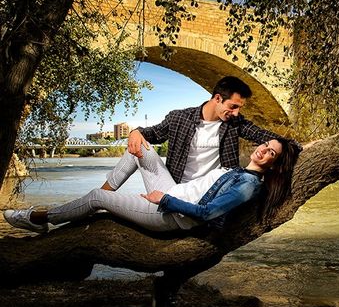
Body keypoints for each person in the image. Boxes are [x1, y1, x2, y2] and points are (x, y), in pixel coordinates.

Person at [3, 138, 299, 234]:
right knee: (139, 146)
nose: (263, 150)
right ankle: (106, 197)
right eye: (265, 145)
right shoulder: (239, 169)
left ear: (274, 164)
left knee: (93, 197)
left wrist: (163, 200)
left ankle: (40, 219)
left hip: (168, 214)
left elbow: (209, 213)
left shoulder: (248, 184)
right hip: (172, 192)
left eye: (271, 153)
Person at [111, 75, 298, 191]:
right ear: (217, 98)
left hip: (210, 192)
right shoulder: (179, 118)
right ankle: (105, 194)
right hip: (174, 188)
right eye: (233, 107)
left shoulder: (234, 124)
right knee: (136, 146)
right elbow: (152, 133)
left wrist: (298, 146)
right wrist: (135, 132)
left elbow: (264, 136)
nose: (236, 113)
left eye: (239, 109)